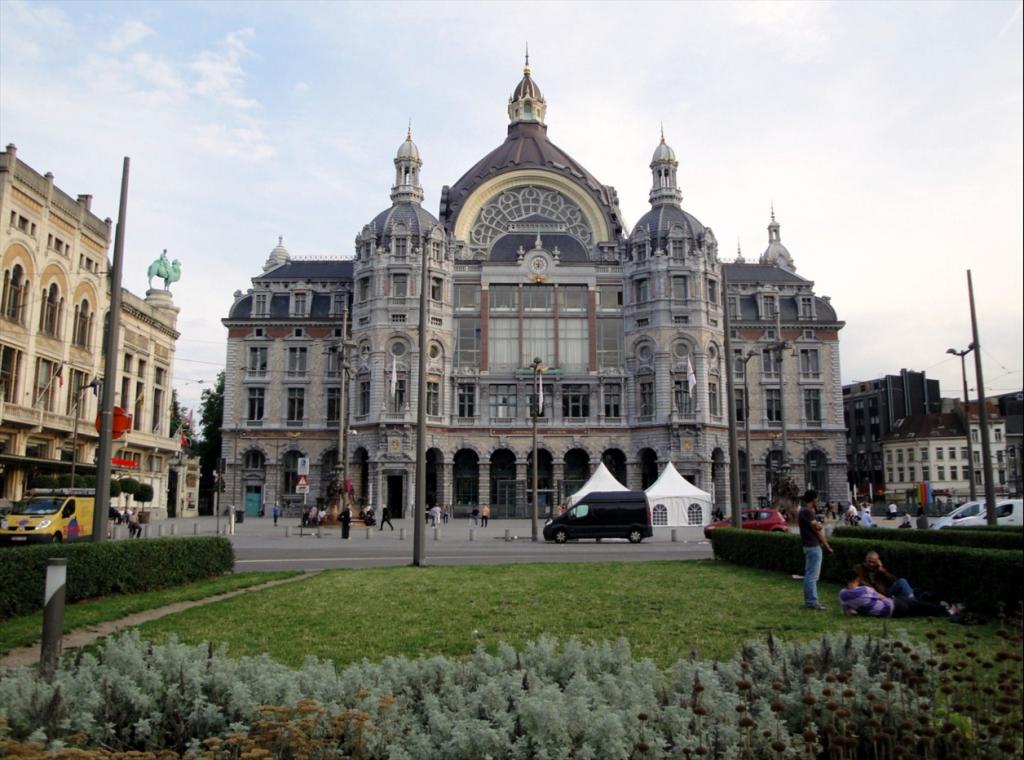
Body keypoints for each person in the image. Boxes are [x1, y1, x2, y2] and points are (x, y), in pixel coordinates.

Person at [839, 570, 955, 618]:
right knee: (919, 604)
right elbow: (882, 597)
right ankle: (946, 610)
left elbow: (847, 612)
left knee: (919, 609)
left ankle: (942, 608)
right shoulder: (864, 590)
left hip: (889, 614)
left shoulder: (842, 594)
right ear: (857, 579)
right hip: (892, 606)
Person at [798, 489, 833, 611]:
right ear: (813, 499)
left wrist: (817, 525)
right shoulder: (807, 512)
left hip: (808, 546)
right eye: (817, 498)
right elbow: (817, 531)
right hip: (813, 547)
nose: (818, 501)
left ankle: (810, 601)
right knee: (812, 576)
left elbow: (815, 527)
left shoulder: (804, 511)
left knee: (809, 575)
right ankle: (812, 602)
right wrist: (827, 545)